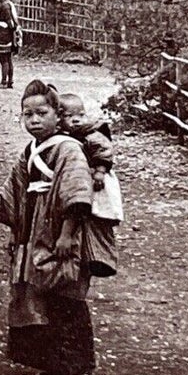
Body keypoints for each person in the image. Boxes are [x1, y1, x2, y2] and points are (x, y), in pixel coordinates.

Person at [0, 79, 113, 375]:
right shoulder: (31, 150)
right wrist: (15, 231)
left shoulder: (68, 148)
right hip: (35, 225)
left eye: (41, 113)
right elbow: (17, 191)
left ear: (57, 115)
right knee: (40, 292)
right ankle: (56, 365)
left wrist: (66, 234)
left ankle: (76, 368)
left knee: (65, 293)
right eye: (27, 114)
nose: (34, 120)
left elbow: (76, 191)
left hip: (60, 228)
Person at [58, 92, 121, 277]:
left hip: (97, 180)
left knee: (99, 215)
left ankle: (102, 257)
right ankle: (86, 253)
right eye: (69, 116)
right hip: (82, 180)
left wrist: (100, 171)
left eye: (80, 115)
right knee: (82, 216)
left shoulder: (91, 132)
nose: (76, 120)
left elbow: (104, 150)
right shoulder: (64, 136)